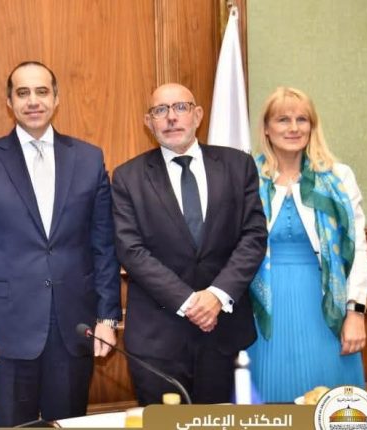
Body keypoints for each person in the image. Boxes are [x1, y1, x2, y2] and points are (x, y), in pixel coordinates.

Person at [0, 61, 121, 426]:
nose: (33, 101)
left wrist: (107, 317)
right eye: (23, 93)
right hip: (6, 331)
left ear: (56, 99)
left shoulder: (89, 159)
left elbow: (104, 246)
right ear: (9, 102)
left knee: (69, 423)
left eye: (42, 92)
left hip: (74, 327)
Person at [111, 83, 267, 404]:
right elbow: (131, 250)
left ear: (197, 115)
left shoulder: (238, 165)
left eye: (180, 107)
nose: (171, 117)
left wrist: (217, 295)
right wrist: (189, 301)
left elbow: (253, 236)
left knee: (219, 424)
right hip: (158, 339)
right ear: (149, 122)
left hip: (223, 332)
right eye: (160, 110)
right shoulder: (128, 177)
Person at [247, 87, 367, 402]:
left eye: (302, 119)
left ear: (312, 126)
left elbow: (357, 249)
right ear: (266, 128)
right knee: (269, 402)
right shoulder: (246, 176)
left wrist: (356, 312)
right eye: (283, 119)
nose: (293, 128)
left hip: (327, 309)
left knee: (333, 407)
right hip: (262, 312)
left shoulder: (338, 177)